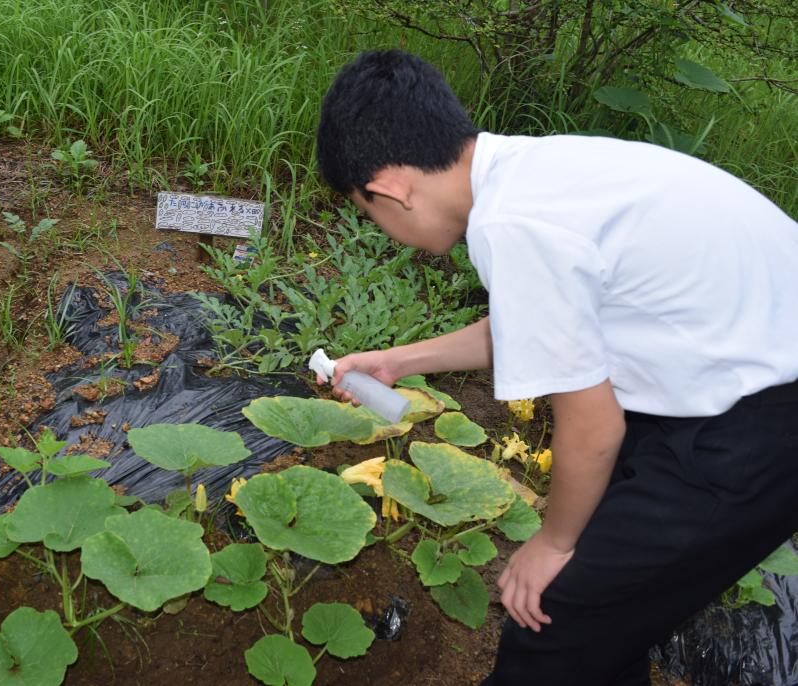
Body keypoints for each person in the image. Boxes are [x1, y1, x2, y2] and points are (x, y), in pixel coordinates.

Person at [315, 49, 798, 685]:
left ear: (389, 189)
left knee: (557, 620)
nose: (377, 225)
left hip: (757, 422)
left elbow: (594, 430)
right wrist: (398, 361)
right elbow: (535, 321)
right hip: (736, 374)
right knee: (603, 619)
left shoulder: (513, 225)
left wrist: (552, 544)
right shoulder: (526, 171)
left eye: (365, 210)